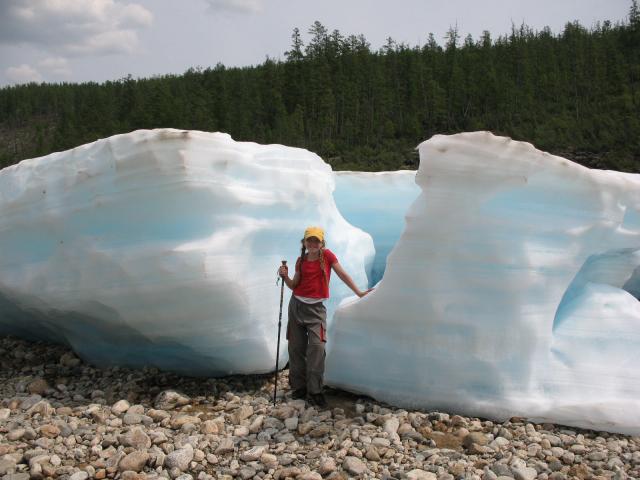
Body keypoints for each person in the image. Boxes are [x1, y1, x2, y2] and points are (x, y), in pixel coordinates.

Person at [278, 226, 372, 408]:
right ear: (304, 242)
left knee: (317, 348)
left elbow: (342, 274)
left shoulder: (328, 256)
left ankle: (315, 391)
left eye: (316, 240)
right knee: (296, 348)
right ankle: (298, 388)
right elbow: (294, 285)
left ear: (322, 243)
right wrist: (285, 276)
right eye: (309, 240)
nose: (313, 243)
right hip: (296, 306)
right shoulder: (301, 260)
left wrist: (359, 293)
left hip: (316, 310)